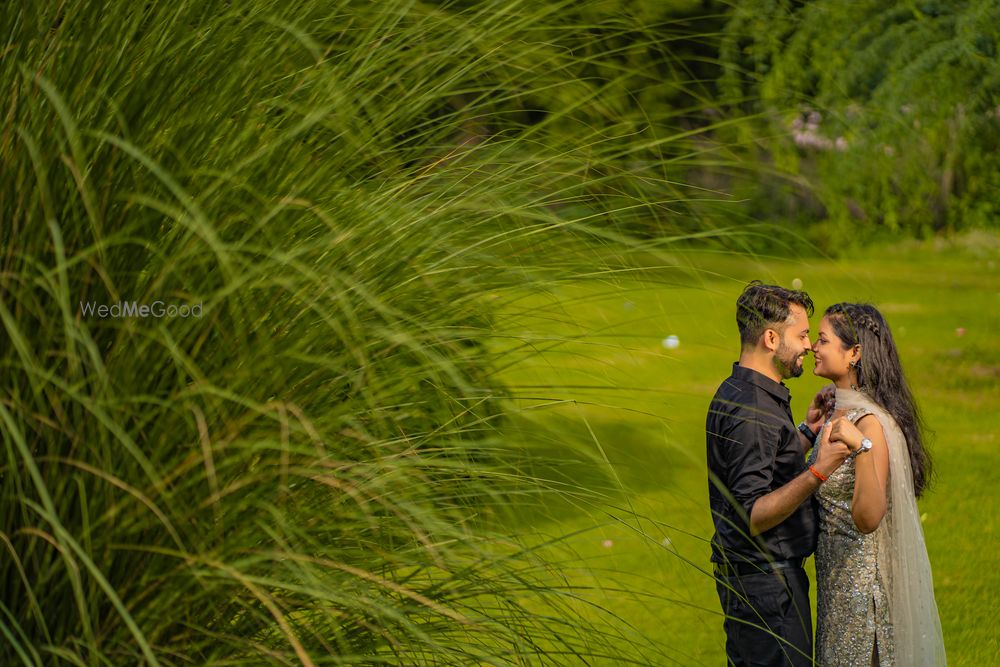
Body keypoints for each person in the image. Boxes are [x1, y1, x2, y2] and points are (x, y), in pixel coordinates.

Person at [707, 281, 851, 666]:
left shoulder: (742, 391)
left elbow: (763, 464)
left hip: (760, 584)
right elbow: (750, 514)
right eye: (802, 335)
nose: (808, 345)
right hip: (767, 589)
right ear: (771, 338)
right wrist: (818, 472)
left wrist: (805, 434)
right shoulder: (752, 411)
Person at [808, 303, 946, 666]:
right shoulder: (835, 410)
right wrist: (810, 429)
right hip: (834, 586)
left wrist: (862, 449)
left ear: (854, 353)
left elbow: (869, 517)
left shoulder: (869, 425)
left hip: (861, 597)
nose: (813, 347)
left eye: (822, 339)